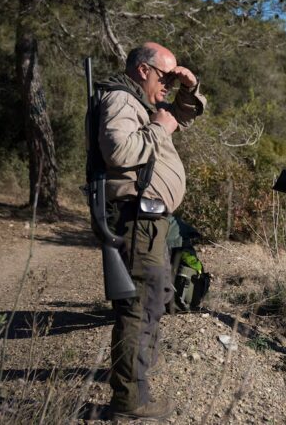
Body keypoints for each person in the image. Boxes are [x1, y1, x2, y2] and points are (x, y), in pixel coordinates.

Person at [96, 42, 206, 420]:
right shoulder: (121, 101)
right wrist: (160, 127)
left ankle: (135, 379)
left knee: (153, 301)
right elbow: (120, 151)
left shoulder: (141, 103)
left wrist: (188, 90)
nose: (168, 87)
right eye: (165, 77)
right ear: (144, 70)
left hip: (150, 221)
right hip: (137, 219)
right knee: (138, 307)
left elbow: (184, 116)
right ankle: (128, 402)